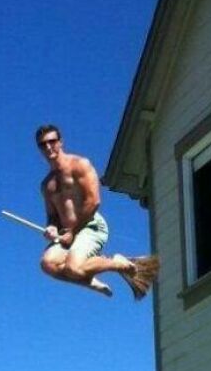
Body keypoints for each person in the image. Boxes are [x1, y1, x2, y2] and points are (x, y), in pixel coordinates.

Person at [35, 124, 159, 299]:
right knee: (47, 264)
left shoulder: (79, 165)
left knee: (73, 268)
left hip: (90, 226)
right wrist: (52, 228)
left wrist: (73, 232)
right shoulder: (47, 185)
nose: (48, 147)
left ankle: (117, 263)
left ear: (60, 142)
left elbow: (94, 201)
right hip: (67, 234)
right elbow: (52, 217)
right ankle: (88, 280)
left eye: (52, 141)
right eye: (42, 144)